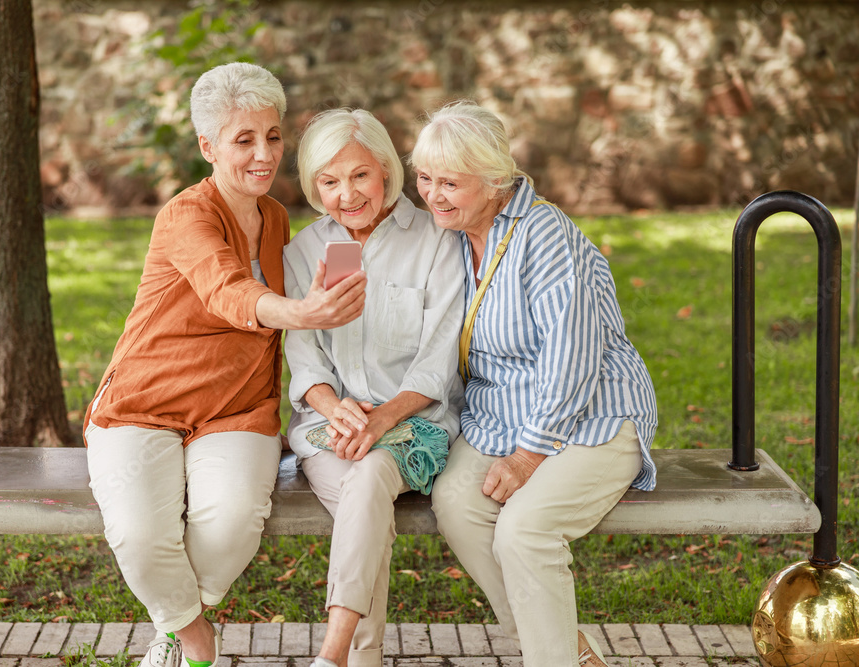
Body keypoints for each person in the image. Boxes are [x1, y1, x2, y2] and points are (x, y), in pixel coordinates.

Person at [83, 63, 367, 667]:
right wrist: (299, 312)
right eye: (244, 140)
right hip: (144, 401)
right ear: (208, 147)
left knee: (235, 521)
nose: (264, 154)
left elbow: (336, 261)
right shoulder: (185, 215)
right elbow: (225, 290)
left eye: (273, 136)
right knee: (139, 532)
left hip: (237, 408)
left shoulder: (276, 217)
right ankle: (191, 637)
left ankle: (177, 622)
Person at [411, 102, 658, 667]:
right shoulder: (456, 233)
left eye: (450, 183)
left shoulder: (544, 234)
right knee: (456, 503)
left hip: (592, 412)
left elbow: (572, 357)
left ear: (495, 180)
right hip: (500, 415)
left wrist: (528, 456)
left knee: (525, 531)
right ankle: (570, 652)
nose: (433, 196)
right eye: (424, 178)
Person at [283, 108, 465, 667]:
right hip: (332, 427)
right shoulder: (304, 251)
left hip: (412, 424)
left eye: (360, 175)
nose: (347, 195)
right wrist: (335, 408)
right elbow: (304, 357)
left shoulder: (436, 241)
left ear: (385, 168)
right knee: (365, 506)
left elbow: (437, 361)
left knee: (366, 485)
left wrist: (381, 419)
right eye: (329, 182)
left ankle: (335, 654)